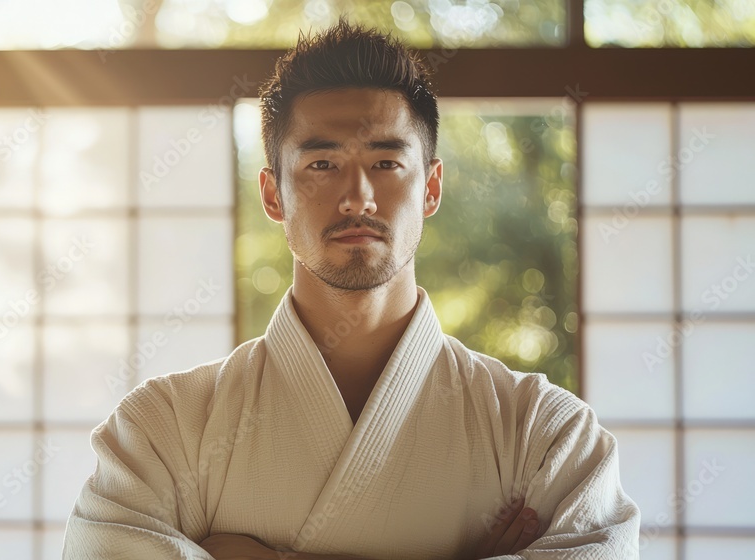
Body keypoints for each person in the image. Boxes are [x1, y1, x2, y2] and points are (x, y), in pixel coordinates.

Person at [62, 16, 640, 560]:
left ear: (432, 187)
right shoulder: (165, 429)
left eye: (387, 164)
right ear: (272, 196)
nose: (356, 196)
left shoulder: (542, 432)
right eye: (321, 165)